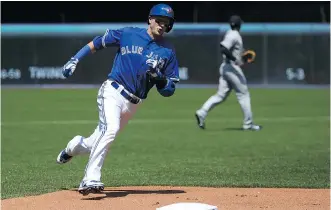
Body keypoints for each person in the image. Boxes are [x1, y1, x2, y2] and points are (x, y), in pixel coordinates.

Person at [56, 3, 179, 196]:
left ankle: (73, 147)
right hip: (113, 91)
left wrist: (160, 79)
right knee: (110, 129)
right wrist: (75, 58)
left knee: (95, 141)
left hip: (133, 104)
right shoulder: (129, 34)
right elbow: (98, 42)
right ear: (150, 19)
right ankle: (90, 179)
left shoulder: (167, 52)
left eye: (166, 22)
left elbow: (169, 90)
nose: (162, 25)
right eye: (159, 20)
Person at [195, 15, 262, 131]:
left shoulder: (231, 34)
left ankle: (202, 112)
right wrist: (235, 59)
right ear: (239, 25)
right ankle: (248, 124)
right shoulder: (233, 35)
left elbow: (231, 51)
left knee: (221, 95)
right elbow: (223, 48)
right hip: (231, 68)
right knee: (243, 94)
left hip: (227, 67)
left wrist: (242, 57)